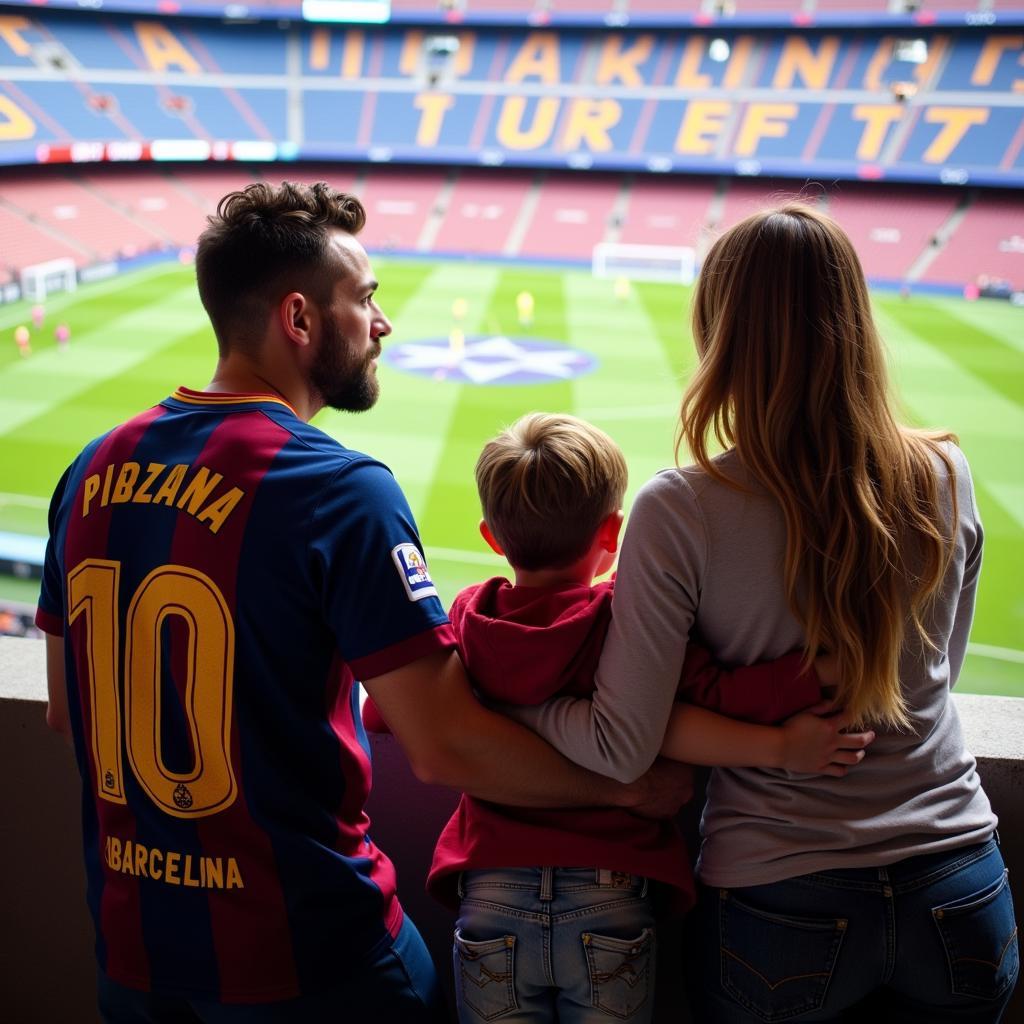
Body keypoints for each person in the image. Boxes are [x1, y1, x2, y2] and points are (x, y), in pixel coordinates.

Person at [35, 181, 695, 1024]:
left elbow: (66, 711)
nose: (382, 323)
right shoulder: (340, 489)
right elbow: (445, 744)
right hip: (312, 953)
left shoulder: (90, 469)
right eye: (367, 299)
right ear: (300, 319)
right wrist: (622, 793)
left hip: (135, 955)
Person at [502, 204, 1019, 1022]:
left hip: (783, 901)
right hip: (960, 880)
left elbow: (622, 743)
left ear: (722, 331)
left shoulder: (683, 509)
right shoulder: (947, 474)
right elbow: (938, 679)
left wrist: (519, 699)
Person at [420, 412, 834, 1024]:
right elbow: (719, 692)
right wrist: (821, 671)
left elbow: (391, 716)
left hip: (491, 890)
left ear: (491, 537)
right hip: (609, 892)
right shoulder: (625, 618)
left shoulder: (468, 621)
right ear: (614, 534)